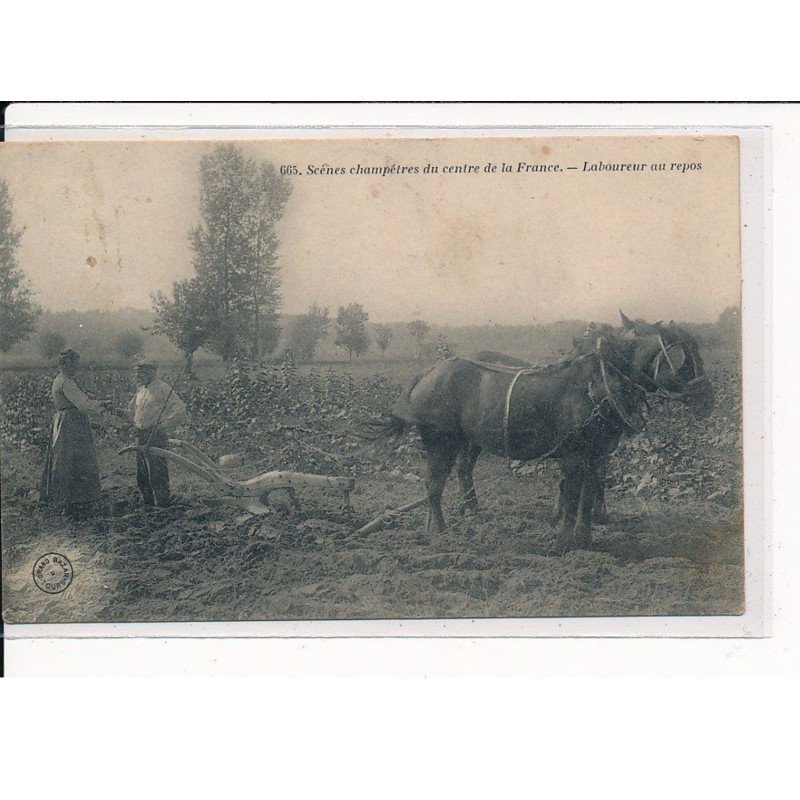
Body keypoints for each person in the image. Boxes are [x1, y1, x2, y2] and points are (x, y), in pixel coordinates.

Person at [40, 349, 102, 513]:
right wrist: (102, 404)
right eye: (74, 364)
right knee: (74, 459)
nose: (76, 367)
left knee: (63, 458)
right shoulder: (67, 383)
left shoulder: (58, 380)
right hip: (71, 424)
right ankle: (74, 500)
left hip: (63, 421)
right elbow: (83, 404)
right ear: (66, 364)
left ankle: (66, 498)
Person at [127, 358, 187, 508]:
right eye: (138, 373)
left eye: (142, 372)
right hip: (140, 436)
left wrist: (164, 425)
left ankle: (163, 505)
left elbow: (180, 408)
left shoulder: (163, 388)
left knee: (158, 473)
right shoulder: (140, 391)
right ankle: (148, 504)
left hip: (156, 435)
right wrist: (117, 412)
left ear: (152, 372)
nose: (139, 376)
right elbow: (132, 412)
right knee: (142, 474)